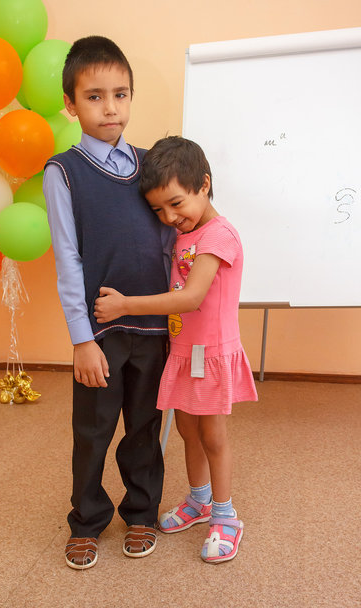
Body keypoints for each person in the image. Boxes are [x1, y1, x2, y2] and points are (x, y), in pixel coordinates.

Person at [94, 136, 258, 564]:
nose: (169, 217)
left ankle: (225, 515)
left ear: (204, 184)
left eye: (176, 204)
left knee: (213, 436)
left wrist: (125, 306)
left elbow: (191, 296)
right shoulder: (186, 232)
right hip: (185, 352)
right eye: (158, 210)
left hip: (211, 353)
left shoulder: (219, 235)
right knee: (187, 431)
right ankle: (199, 500)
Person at [43, 36, 174, 569]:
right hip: (100, 335)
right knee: (93, 431)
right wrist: (81, 339)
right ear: (71, 104)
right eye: (94, 96)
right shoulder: (63, 171)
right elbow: (67, 259)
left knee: (144, 428)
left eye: (120, 94)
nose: (110, 107)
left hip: (154, 328)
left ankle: (142, 512)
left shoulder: (151, 165)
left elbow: (173, 237)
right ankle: (87, 519)